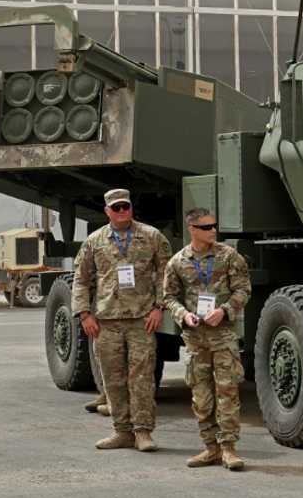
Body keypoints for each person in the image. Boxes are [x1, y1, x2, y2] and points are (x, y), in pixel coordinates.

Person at [72, 189, 170, 452]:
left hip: (141, 319)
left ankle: (143, 432)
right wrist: (84, 314)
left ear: (131, 208)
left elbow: (166, 274)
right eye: (116, 208)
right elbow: (81, 279)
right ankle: (122, 431)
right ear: (107, 211)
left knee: (142, 378)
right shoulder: (94, 241)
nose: (122, 211)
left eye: (125, 206)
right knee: (113, 379)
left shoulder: (151, 237)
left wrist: (159, 307)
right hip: (107, 320)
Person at [161, 208, 251, 471]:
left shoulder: (229, 257)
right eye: (206, 226)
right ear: (192, 229)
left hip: (223, 336)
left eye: (214, 225)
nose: (212, 230)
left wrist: (224, 310)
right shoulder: (177, 262)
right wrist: (183, 315)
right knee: (201, 397)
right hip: (195, 338)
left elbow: (244, 289)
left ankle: (229, 449)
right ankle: (210, 448)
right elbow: (168, 297)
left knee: (227, 392)